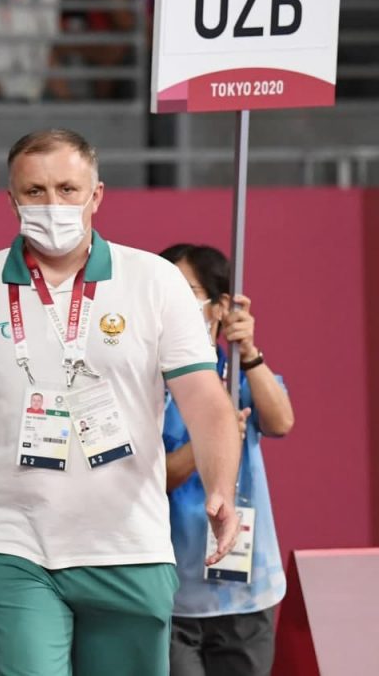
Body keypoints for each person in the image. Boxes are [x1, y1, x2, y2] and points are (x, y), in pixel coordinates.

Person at [0, 128, 243, 676]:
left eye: (67, 189)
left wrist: (221, 486)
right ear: (11, 199)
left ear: (96, 195)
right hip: (9, 543)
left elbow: (206, 402)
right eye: (35, 191)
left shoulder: (155, 280)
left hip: (129, 543)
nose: (52, 204)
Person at [161, 244, 294, 676]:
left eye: (185, 292)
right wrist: (213, 441)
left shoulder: (236, 371)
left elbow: (280, 422)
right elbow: (158, 477)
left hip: (243, 590)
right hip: (171, 596)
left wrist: (249, 350)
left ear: (219, 307)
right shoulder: (148, 383)